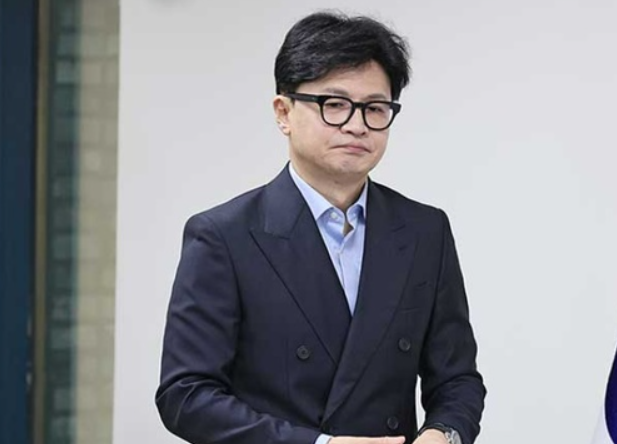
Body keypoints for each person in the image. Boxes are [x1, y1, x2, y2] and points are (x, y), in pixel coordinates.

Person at [156, 11, 486, 444]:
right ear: (284, 112)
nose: (356, 125)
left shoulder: (425, 231)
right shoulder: (223, 236)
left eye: (375, 108)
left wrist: (443, 435)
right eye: (334, 105)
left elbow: (458, 380)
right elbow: (186, 395)